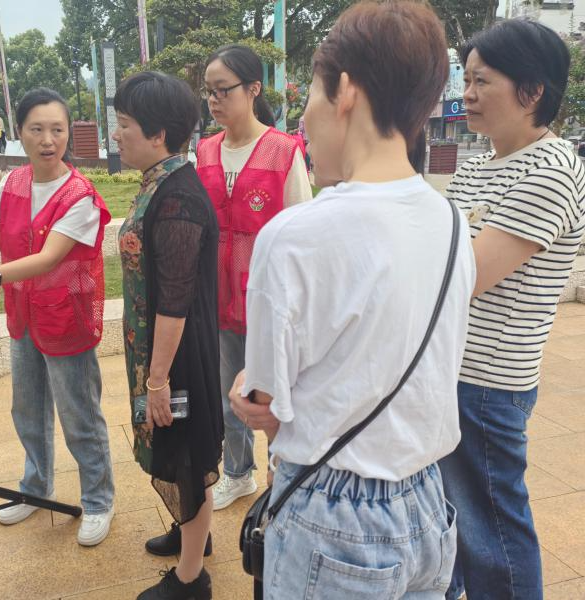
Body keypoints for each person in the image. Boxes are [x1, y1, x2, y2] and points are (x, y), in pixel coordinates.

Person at [229, 2, 477, 598]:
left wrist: (246, 390)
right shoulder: (450, 219)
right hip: (429, 502)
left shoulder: (293, 235)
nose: (304, 123)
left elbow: (266, 402)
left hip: (332, 515)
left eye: (311, 96)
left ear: (346, 91)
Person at [0, 88, 116, 547]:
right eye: (37, 129)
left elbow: (47, 259)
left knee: (79, 415)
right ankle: (36, 488)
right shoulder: (13, 183)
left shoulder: (81, 196)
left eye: (57, 130)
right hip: (24, 316)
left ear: (68, 134)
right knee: (27, 409)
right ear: (19, 132)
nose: (48, 140)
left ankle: (98, 500)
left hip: (66, 320)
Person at [438, 19, 585, 600]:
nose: (467, 94)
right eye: (467, 80)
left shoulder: (551, 171)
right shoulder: (479, 163)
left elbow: (462, 275)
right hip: (451, 370)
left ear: (532, 91)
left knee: (494, 528)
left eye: (482, 81)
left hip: (488, 383)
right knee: (453, 517)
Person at [114, 71, 221, 600]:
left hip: (177, 359)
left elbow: (175, 302)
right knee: (175, 449)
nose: (116, 135)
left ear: (158, 134)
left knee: (186, 456)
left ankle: (190, 578)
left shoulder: (178, 199)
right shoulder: (160, 181)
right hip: (160, 352)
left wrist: (158, 381)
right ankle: (191, 535)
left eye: (124, 125)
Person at [196, 44, 313, 512]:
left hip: (269, 298)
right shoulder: (205, 151)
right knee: (230, 388)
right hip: (219, 295)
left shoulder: (283, 151)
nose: (214, 100)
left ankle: (281, 472)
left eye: (223, 90)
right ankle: (237, 472)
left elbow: (303, 230)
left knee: (275, 390)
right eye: (209, 91)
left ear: (253, 89)